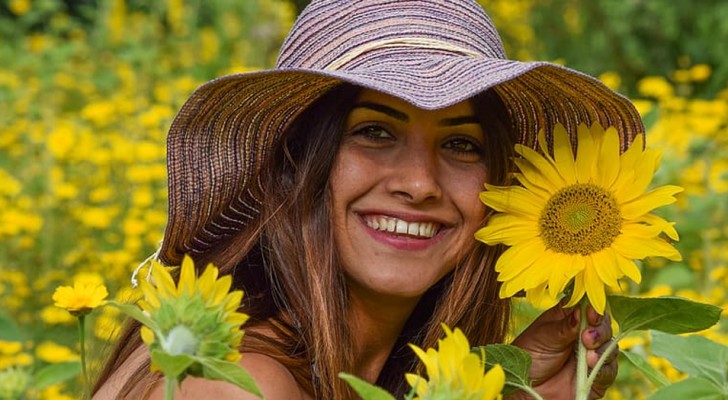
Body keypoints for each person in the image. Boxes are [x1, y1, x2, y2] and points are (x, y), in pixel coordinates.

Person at [94, 0, 642, 398]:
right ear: (294, 162)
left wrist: (512, 388)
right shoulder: (234, 380)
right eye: (375, 132)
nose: (420, 182)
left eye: (460, 143)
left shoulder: (353, 371)